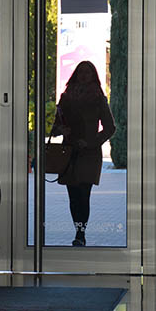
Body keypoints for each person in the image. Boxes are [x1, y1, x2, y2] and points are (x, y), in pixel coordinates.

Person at [50, 61, 116, 247]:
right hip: (69, 151)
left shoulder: (98, 98)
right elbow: (54, 127)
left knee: (83, 194)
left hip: (89, 153)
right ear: (76, 74)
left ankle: (80, 233)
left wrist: (91, 142)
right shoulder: (66, 97)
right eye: (81, 72)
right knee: (73, 196)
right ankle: (78, 231)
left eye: (88, 72)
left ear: (93, 75)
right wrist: (61, 130)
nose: (84, 75)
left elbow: (110, 127)